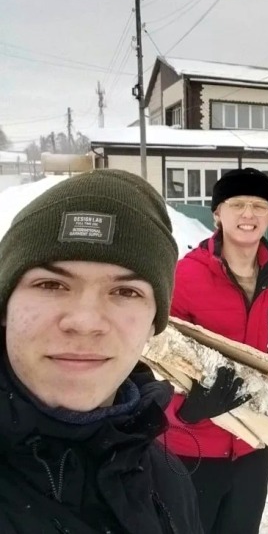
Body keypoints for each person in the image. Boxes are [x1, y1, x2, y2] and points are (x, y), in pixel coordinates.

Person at [0, 169, 203, 533]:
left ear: (153, 320)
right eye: (51, 284)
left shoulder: (168, 483)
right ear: (5, 307)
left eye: (126, 292)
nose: (85, 321)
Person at [163, 168, 268, 534]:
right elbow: (156, 355)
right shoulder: (184, 276)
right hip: (189, 448)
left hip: (251, 447)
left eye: (259, 206)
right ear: (217, 213)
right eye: (237, 204)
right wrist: (184, 409)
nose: (248, 215)